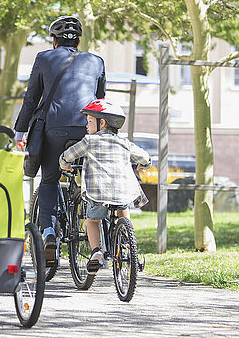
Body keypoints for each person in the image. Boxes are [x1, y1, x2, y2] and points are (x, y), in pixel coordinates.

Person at [14, 15, 106, 262]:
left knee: (50, 180)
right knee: (90, 179)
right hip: (86, 128)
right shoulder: (96, 61)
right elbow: (100, 101)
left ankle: (49, 233)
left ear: (53, 41)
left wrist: (19, 132)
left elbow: (32, 98)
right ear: (78, 40)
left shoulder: (44, 58)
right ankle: (94, 228)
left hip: (54, 129)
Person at [59, 99, 151, 274]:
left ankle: (96, 253)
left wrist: (64, 164)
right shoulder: (124, 143)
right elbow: (145, 158)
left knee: (92, 220)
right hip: (123, 190)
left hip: (98, 191)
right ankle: (130, 247)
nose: (86, 126)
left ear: (102, 123)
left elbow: (68, 156)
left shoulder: (89, 141)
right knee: (123, 210)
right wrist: (143, 165)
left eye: (89, 121)